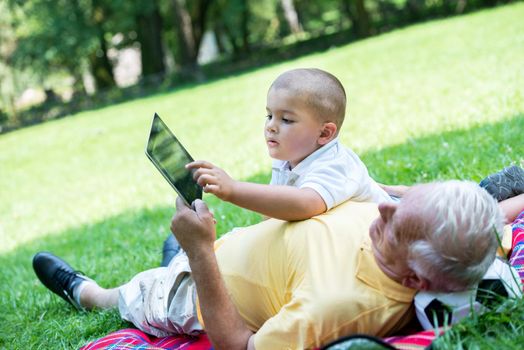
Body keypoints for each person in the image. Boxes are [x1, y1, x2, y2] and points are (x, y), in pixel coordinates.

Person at [33, 180, 508, 349]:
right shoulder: (469, 236)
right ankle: (178, 250)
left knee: (130, 294)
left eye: (398, 223)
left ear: (412, 278)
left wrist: (200, 255)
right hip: (242, 245)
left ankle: (85, 291)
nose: (384, 207)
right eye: (402, 200)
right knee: (180, 245)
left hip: (192, 293)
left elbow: (238, 345)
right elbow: (497, 223)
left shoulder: (339, 306)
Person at [186, 68, 391, 222]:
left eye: (286, 120)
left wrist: (234, 189)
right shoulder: (288, 160)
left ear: (325, 133)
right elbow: (275, 213)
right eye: (269, 115)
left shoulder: (335, 164)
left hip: (390, 234)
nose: (271, 127)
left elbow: (305, 204)